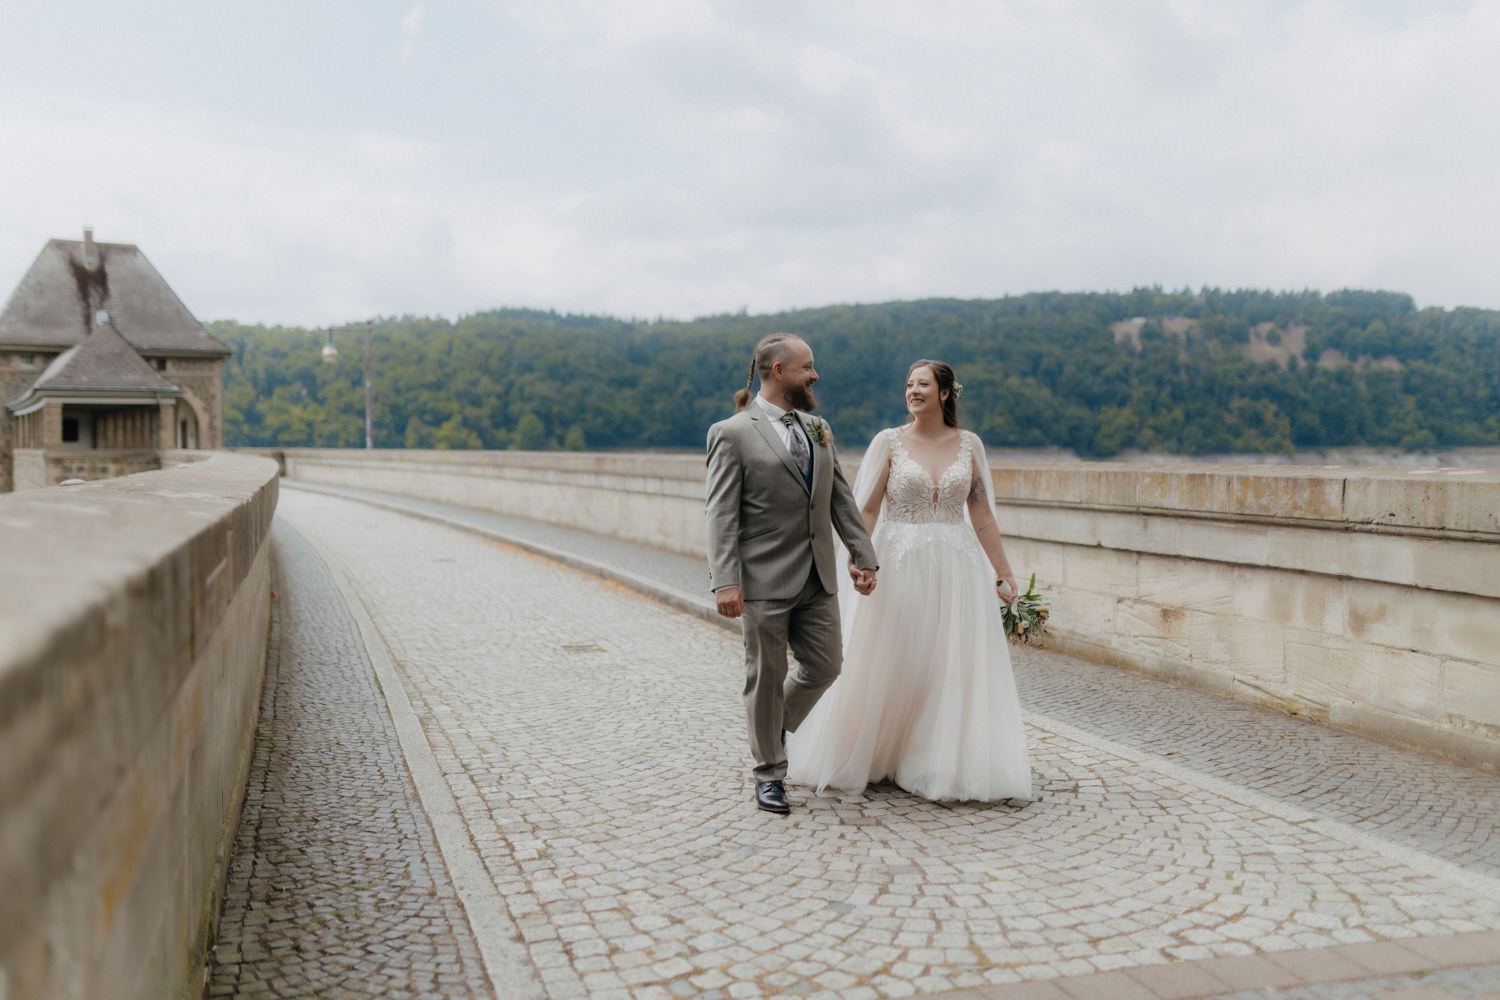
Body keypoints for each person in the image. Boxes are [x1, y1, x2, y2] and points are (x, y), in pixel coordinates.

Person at [787, 359, 1033, 802]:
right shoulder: (889, 442)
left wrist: (1004, 570)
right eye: (908, 384)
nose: (912, 391)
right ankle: (878, 751)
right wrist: (861, 557)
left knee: (948, 663)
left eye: (922, 384)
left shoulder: (970, 446)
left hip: (957, 568)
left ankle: (934, 759)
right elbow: (865, 509)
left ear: (944, 393)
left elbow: (981, 514)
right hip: (898, 563)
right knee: (897, 656)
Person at [705, 333, 880, 814]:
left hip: (818, 578)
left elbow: (838, 498)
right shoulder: (732, 432)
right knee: (766, 675)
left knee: (826, 665)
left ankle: (771, 730)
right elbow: (720, 515)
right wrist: (726, 581)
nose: (815, 374)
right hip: (762, 579)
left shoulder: (818, 428)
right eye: (807, 367)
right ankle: (769, 774)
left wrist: (863, 556)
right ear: (779, 371)